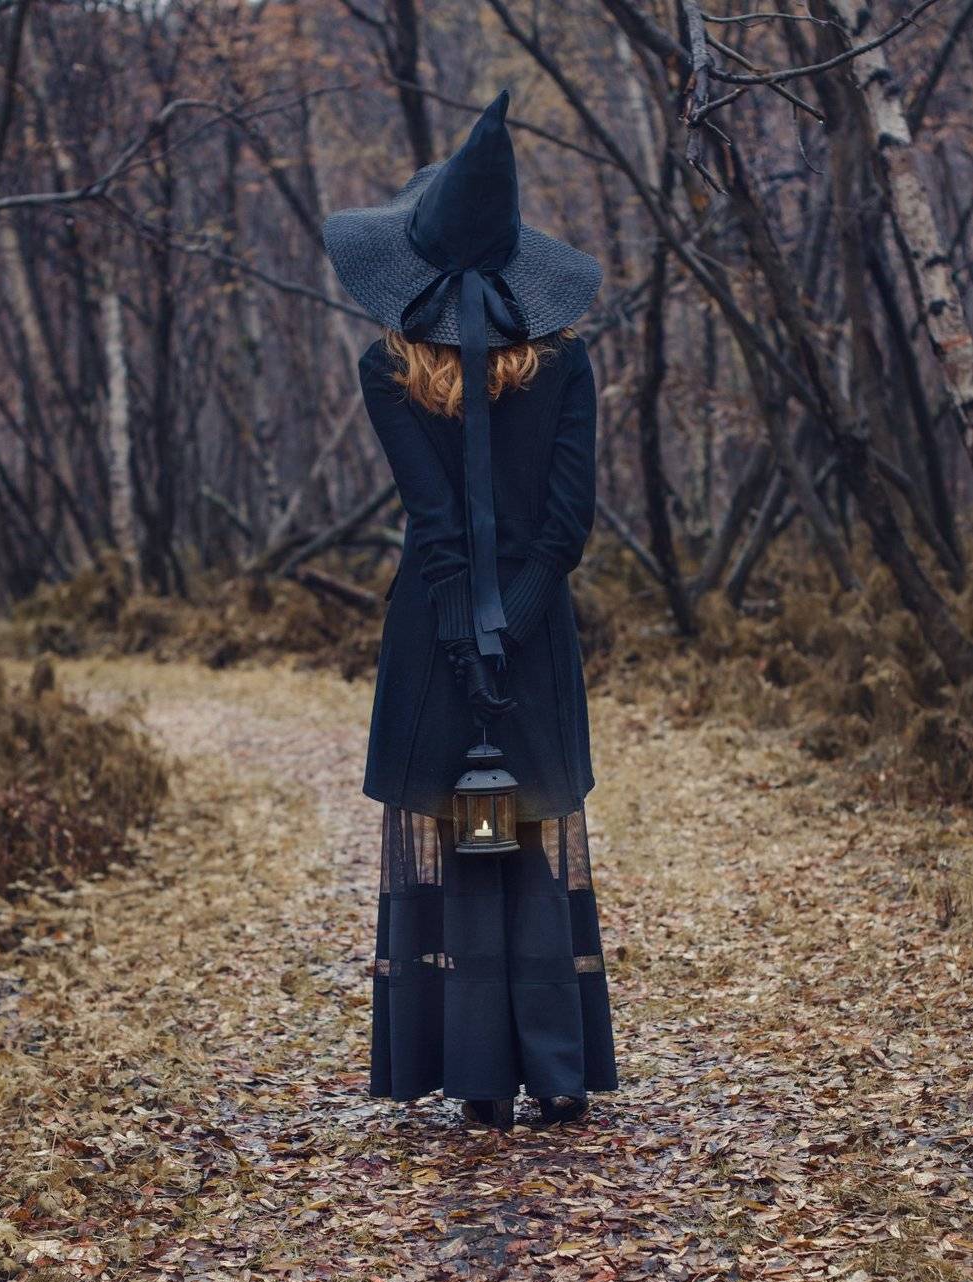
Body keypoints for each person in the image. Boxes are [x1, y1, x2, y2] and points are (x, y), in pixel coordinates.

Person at [323, 90, 618, 1131]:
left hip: (438, 631)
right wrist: (508, 625)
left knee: (464, 833)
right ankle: (554, 1069)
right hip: (524, 636)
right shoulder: (567, 358)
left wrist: (465, 631)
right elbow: (564, 526)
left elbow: (435, 521)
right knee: (524, 835)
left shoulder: (387, 363)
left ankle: (479, 1076)